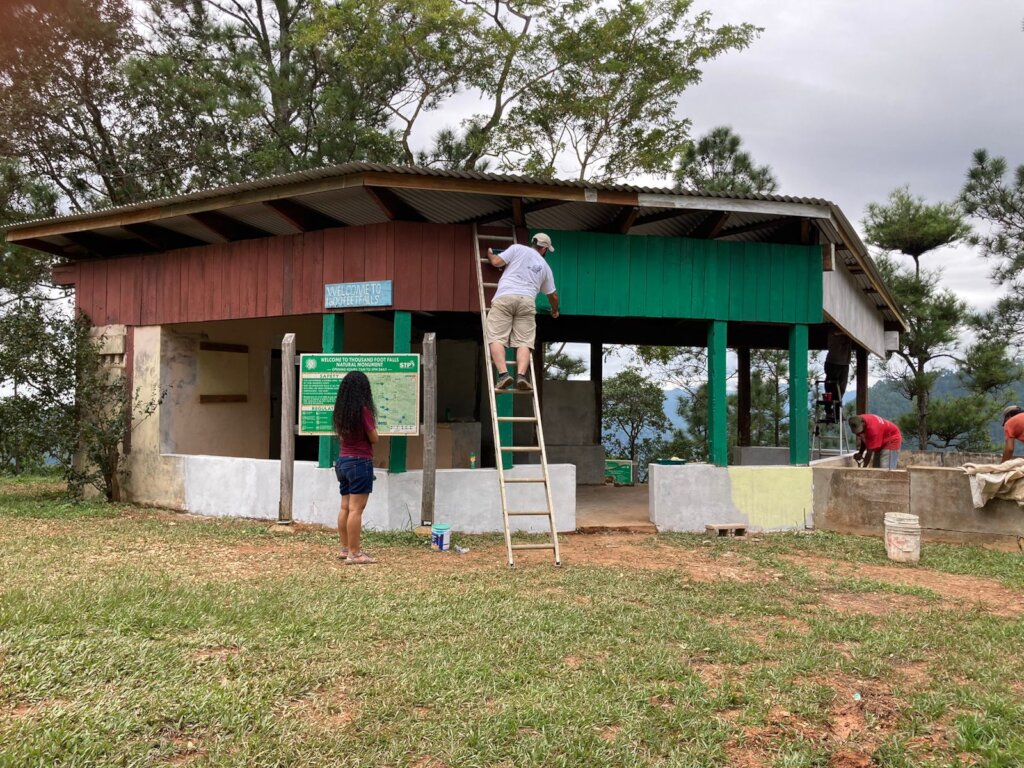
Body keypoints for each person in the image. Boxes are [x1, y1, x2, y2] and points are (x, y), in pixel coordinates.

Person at [485, 232, 560, 392]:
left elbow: (497, 262)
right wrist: (554, 310)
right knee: (524, 341)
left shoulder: (517, 248)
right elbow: (553, 295)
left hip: (505, 297)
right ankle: (521, 376)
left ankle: (504, 375)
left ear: (533, 243)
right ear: (544, 249)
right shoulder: (545, 267)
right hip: (527, 301)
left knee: (496, 337)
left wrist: (489, 254)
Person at [332, 370, 379, 564]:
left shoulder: (340, 412)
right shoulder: (363, 411)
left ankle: (345, 549)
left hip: (343, 461)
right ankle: (355, 553)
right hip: (360, 462)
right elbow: (374, 438)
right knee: (356, 509)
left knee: (345, 507)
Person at [822, 331, 852, 423]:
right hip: (833, 362)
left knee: (841, 389)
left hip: (845, 363)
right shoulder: (834, 329)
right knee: (830, 388)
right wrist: (845, 333)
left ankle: (837, 411)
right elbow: (834, 333)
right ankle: (828, 411)